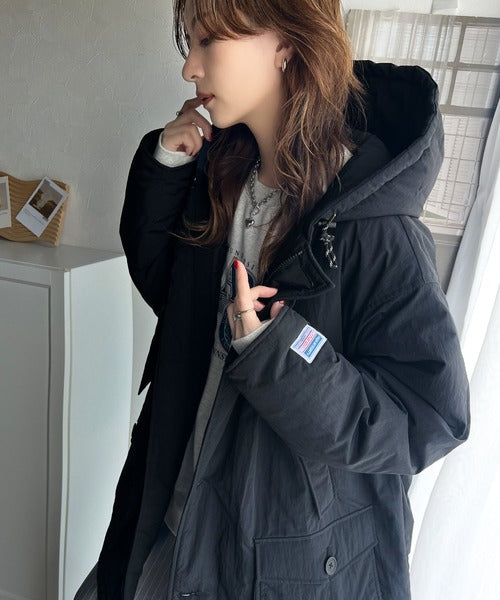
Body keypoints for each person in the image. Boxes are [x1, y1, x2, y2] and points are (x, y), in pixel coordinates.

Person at [74, 0, 470, 598]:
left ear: (285, 42)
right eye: (191, 43)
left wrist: (280, 352)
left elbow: (432, 416)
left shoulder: (373, 221)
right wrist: (167, 168)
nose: (190, 69)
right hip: (171, 519)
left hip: (276, 560)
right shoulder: (223, 174)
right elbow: (170, 292)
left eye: (209, 42)